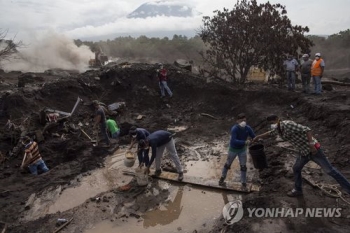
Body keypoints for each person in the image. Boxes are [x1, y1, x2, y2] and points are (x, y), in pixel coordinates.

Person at [253, 115, 350, 197]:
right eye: (271, 123)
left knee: (330, 171)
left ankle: (348, 188)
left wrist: (312, 145)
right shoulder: (278, 129)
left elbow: (307, 129)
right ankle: (298, 190)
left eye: (273, 122)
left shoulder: (288, 124)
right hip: (303, 152)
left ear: (277, 120)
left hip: (314, 151)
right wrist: (259, 136)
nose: (272, 124)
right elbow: (270, 133)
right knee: (296, 168)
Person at [219, 113, 256, 188]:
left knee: (243, 166)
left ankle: (243, 183)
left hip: (242, 150)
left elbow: (253, 136)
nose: (243, 122)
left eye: (244, 120)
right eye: (241, 120)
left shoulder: (247, 128)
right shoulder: (234, 129)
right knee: (227, 164)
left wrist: (257, 139)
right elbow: (233, 140)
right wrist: (245, 142)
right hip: (233, 149)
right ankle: (222, 178)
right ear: (237, 121)